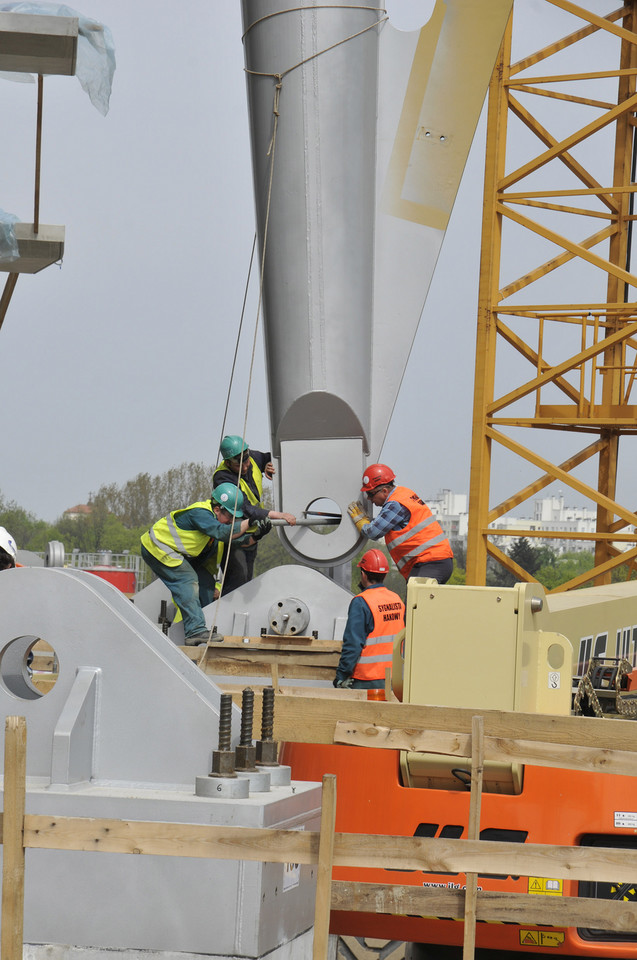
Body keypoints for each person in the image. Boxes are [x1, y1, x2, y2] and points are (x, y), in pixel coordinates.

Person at [140, 483, 250, 645]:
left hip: (173, 552)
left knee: (205, 583)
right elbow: (223, 532)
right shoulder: (200, 514)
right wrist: (251, 520)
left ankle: (199, 629)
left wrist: (258, 532)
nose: (231, 521)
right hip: (157, 547)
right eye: (229, 517)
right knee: (187, 578)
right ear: (217, 509)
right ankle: (195, 631)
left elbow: (237, 539)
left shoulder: (214, 521)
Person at [213, 435, 297, 592]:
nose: (245, 467)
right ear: (227, 462)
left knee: (247, 583)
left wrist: (268, 465)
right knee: (237, 581)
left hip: (252, 533)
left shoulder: (253, 457)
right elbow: (244, 507)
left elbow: (271, 457)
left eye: (246, 461)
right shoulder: (222, 478)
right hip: (235, 534)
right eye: (239, 465)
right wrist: (278, 515)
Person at [347, 463, 454, 584]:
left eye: (370, 494)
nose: (369, 499)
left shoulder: (395, 504)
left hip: (430, 562)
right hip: (432, 561)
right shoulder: (404, 494)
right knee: (416, 601)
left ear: (384, 491)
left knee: (416, 601)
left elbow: (373, 532)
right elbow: (383, 525)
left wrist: (360, 520)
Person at [334, 548, 405, 690]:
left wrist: (341, 676)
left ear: (363, 574)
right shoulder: (396, 599)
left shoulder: (361, 602)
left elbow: (353, 644)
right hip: (395, 679)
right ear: (384, 575)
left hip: (367, 680)